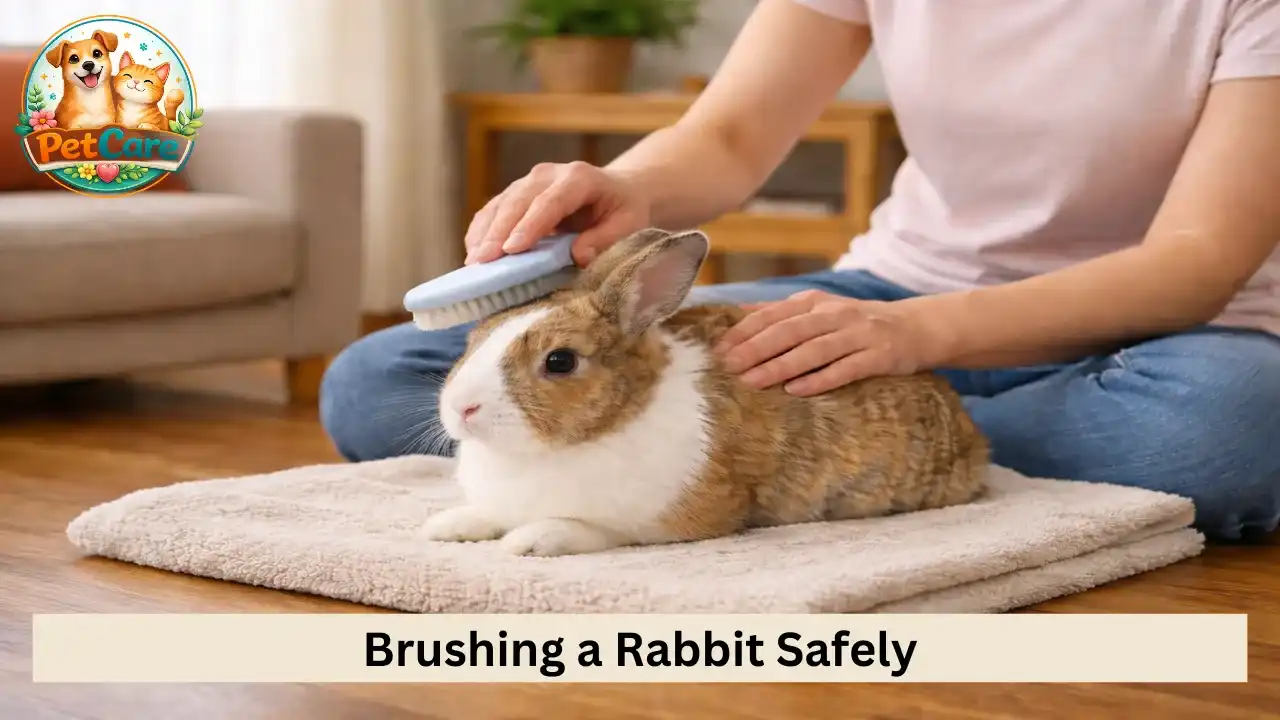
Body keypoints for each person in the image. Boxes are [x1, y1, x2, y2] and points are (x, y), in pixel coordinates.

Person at [320, 0, 1280, 541]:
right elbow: (731, 135)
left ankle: (833, 451)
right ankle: (833, 451)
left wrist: (916, 338)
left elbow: (1194, 262)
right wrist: (627, 186)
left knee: (1237, 431)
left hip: (1161, 340)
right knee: (378, 379)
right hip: (893, 289)